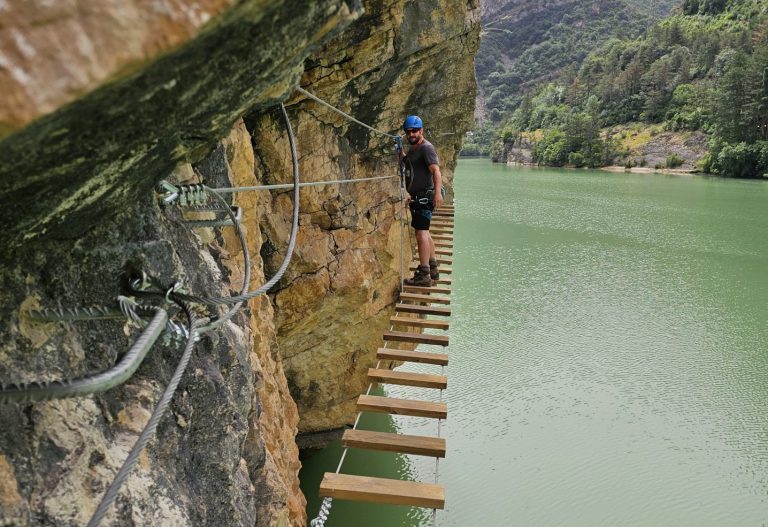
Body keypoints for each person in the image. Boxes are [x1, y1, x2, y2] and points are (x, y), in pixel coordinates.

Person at [401, 115, 443, 287]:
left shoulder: (426, 148)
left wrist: (437, 193)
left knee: (421, 234)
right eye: (408, 131)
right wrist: (401, 154)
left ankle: (424, 274)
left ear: (421, 131)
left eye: (414, 131)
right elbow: (411, 164)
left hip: (424, 197)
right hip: (418, 197)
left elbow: (436, 171)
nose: (411, 134)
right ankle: (433, 267)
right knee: (425, 232)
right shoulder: (414, 149)